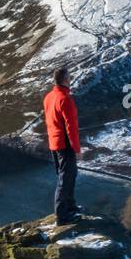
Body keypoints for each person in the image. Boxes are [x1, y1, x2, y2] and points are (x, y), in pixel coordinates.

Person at [43, 66, 81, 224]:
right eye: (69, 76)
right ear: (65, 79)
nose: (70, 79)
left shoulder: (49, 97)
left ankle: (70, 206)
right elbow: (71, 127)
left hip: (54, 142)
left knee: (68, 175)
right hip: (65, 144)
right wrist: (77, 149)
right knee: (66, 178)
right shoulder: (65, 99)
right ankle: (62, 215)